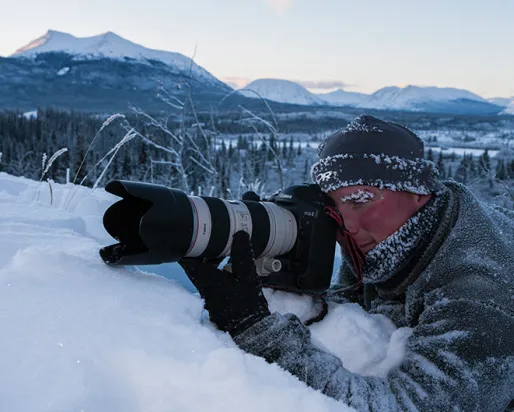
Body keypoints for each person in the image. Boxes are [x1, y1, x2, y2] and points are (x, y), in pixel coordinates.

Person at [178, 115, 514, 411]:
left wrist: (257, 329)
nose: (347, 225)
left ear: (418, 190)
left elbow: (396, 407)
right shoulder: (392, 237)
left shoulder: (478, 288)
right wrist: (282, 277)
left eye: (360, 200)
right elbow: (352, 307)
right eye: (335, 207)